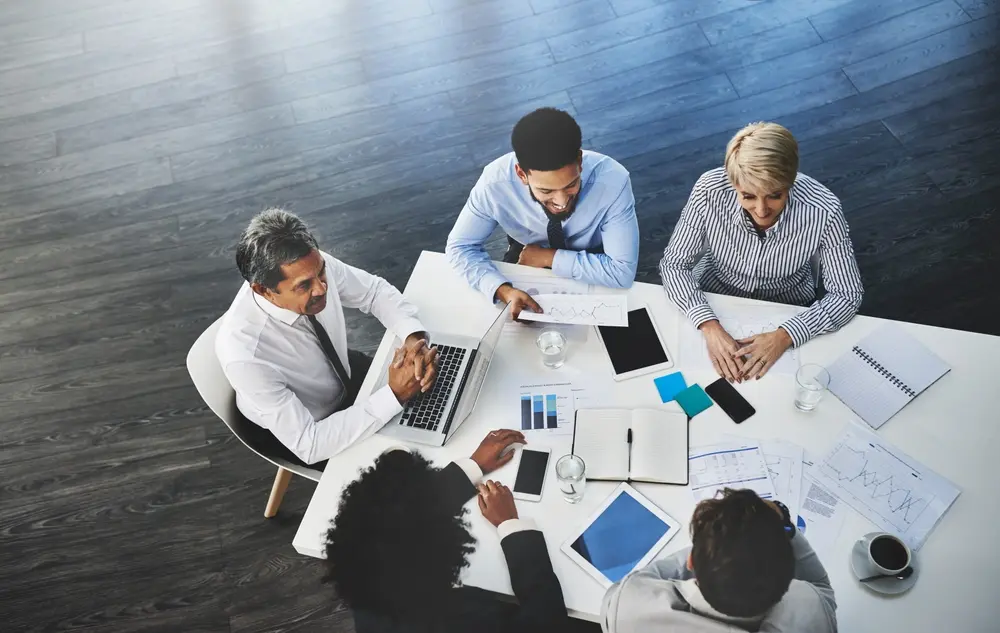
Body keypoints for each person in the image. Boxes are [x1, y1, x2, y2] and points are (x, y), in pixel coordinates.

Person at [216, 208, 439, 466]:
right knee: (412, 467)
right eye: (304, 286)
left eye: (321, 273)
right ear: (264, 291)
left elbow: (374, 292)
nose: (322, 288)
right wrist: (394, 395)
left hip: (346, 375)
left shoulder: (308, 266)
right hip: (313, 427)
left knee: (439, 398)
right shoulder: (245, 358)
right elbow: (309, 444)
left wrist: (413, 339)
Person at [323, 429, 587, 633]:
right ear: (445, 545)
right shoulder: (471, 619)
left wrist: (473, 466)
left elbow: (398, 516)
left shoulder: (363, 584)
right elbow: (548, 623)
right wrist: (512, 527)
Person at [660, 122, 864, 382]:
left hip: (786, 304)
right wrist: (709, 325)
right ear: (734, 185)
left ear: (790, 182)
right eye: (748, 196)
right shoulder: (709, 190)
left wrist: (786, 335)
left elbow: (847, 295)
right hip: (714, 294)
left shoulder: (824, 210)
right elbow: (674, 265)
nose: (761, 210)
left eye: (775, 195)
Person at [446, 107, 639, 319]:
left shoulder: (614, 181)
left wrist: (549, 258)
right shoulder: (494, 184)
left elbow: (621, 272)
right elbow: (461, 247)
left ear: (580, 161)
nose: (562, 201)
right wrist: (501, 289)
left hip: (595, 255)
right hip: (524, 251)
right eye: (546, 191)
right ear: (521, 174)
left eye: (571, 185)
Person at [602, 488, 837, 633]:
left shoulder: (630, 605)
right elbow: (822, 589)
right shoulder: (811, 614)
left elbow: (619, 591)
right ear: (789, 576)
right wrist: (783, 521)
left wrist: (717, 547)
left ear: (691, 561)